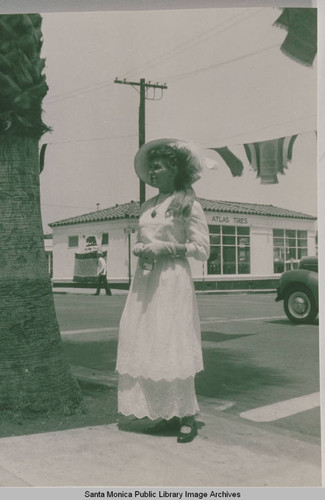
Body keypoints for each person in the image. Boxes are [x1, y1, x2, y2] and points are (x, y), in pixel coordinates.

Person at [116, 138, 210, 443]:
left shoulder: (188, 204)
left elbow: (202, 250)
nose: (151, 173)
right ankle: (164, 413)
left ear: (174, 169)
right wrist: (142, 248)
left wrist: (166, 248)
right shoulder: (148, 206)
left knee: (173, 341)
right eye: (150, 168)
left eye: (157, 167)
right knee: (149, 341)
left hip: (172, 280)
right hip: (146, 281)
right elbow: (146, 236)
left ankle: (187, 417)